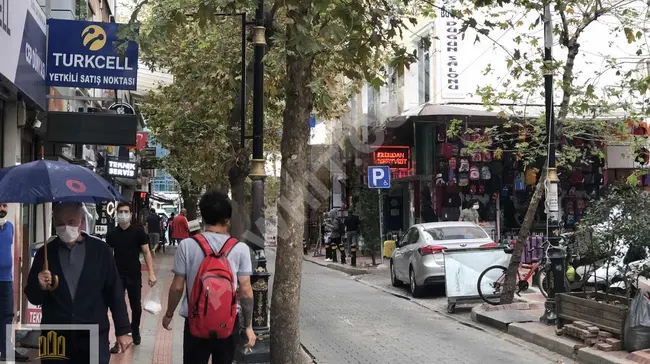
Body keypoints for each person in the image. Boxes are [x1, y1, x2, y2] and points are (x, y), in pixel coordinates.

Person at [25, 202, 132, 363]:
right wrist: (39, 285)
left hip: (93, 334)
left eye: (71, 222)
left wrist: (123, 330)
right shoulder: (45, 253)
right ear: (54, 224)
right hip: (55, 334)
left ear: (82, 222)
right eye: (60, 223)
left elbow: (114, 292)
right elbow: (34, 298)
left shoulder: (100, 251)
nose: (66, 227)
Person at [162, 191, 256, 364]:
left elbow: (177, 287)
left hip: (195, 321)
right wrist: (248, 325)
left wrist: (169, 314)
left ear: (203, 218)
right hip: (228, 322)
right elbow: (245, 290)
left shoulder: (187, 245)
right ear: (228, 220)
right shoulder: (240, 248)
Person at [106, 202, 157, 353]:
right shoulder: (112, 234)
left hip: (134, 274)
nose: (123, 214)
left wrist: (151, 273)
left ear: (130, 214)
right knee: (118, 307)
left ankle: (135, 330)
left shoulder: (138, 232)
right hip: (117, 276)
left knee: (136, 306)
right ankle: (119, 338)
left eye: (126, 211)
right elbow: (108, 256)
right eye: (120, 211)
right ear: (116, 213)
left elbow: (147, 252)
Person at [0, 204, 28, 362]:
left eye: (4, 205)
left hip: (6, 279)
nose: (2, 208)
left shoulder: (10, 227)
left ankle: (6, 350)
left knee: (7, 315)